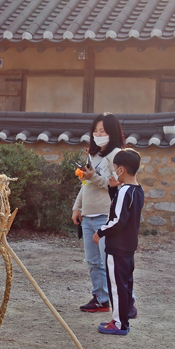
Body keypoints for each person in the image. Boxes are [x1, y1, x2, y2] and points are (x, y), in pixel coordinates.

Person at [71, 112, 127, 315]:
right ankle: (100, 298)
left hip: (106, 215)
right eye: (95, 130)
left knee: (111, 261)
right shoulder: (94, 156)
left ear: (112, 132)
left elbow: (114, 185)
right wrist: (77, 208)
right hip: (88, 215)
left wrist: (93, 176)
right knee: (93, 261)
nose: (98, 134)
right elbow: (86, 185)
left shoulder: (118, 157)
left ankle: (127, 302)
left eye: (102, 131)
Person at [92, 148, 145, 335]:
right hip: (129, 247)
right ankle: (122, 320)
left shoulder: (125, 191)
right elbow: (123, 211)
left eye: (115, 168)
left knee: (116, 285)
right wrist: (113, 188)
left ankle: (119, 323)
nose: (113, 172)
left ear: (121, 170)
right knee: (125, 284)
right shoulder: (137, 191)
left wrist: (100, 232)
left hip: (117, 247)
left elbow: (118, 220)